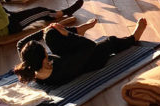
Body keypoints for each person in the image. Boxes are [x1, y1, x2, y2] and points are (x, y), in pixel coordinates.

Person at [13, 17, 147, 86]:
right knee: (109, 42)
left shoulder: (30, 62)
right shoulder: (63, 68)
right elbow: (89, 46)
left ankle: (79, 30)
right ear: (44, 59)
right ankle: (133, 38)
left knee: (50, 34)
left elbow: (20, 44)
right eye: (45, 52)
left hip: (66, 56)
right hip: (88, 61)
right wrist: (66, 33)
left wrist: (45, 30)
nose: (47, 52)